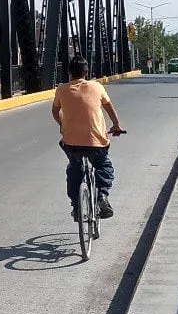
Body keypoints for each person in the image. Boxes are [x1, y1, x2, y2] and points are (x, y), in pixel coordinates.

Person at [52, 54, 124, 222]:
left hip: (72, 143)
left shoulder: (61, 89)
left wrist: (63, 125)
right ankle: (102, 197)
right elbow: (108, 106)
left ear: (69, 73)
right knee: (104, 166)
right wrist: (116, 124)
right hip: (97, 143)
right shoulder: (96, 87)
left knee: (74, 169)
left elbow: (55, 112)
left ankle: (77, 206)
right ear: (86, 72)